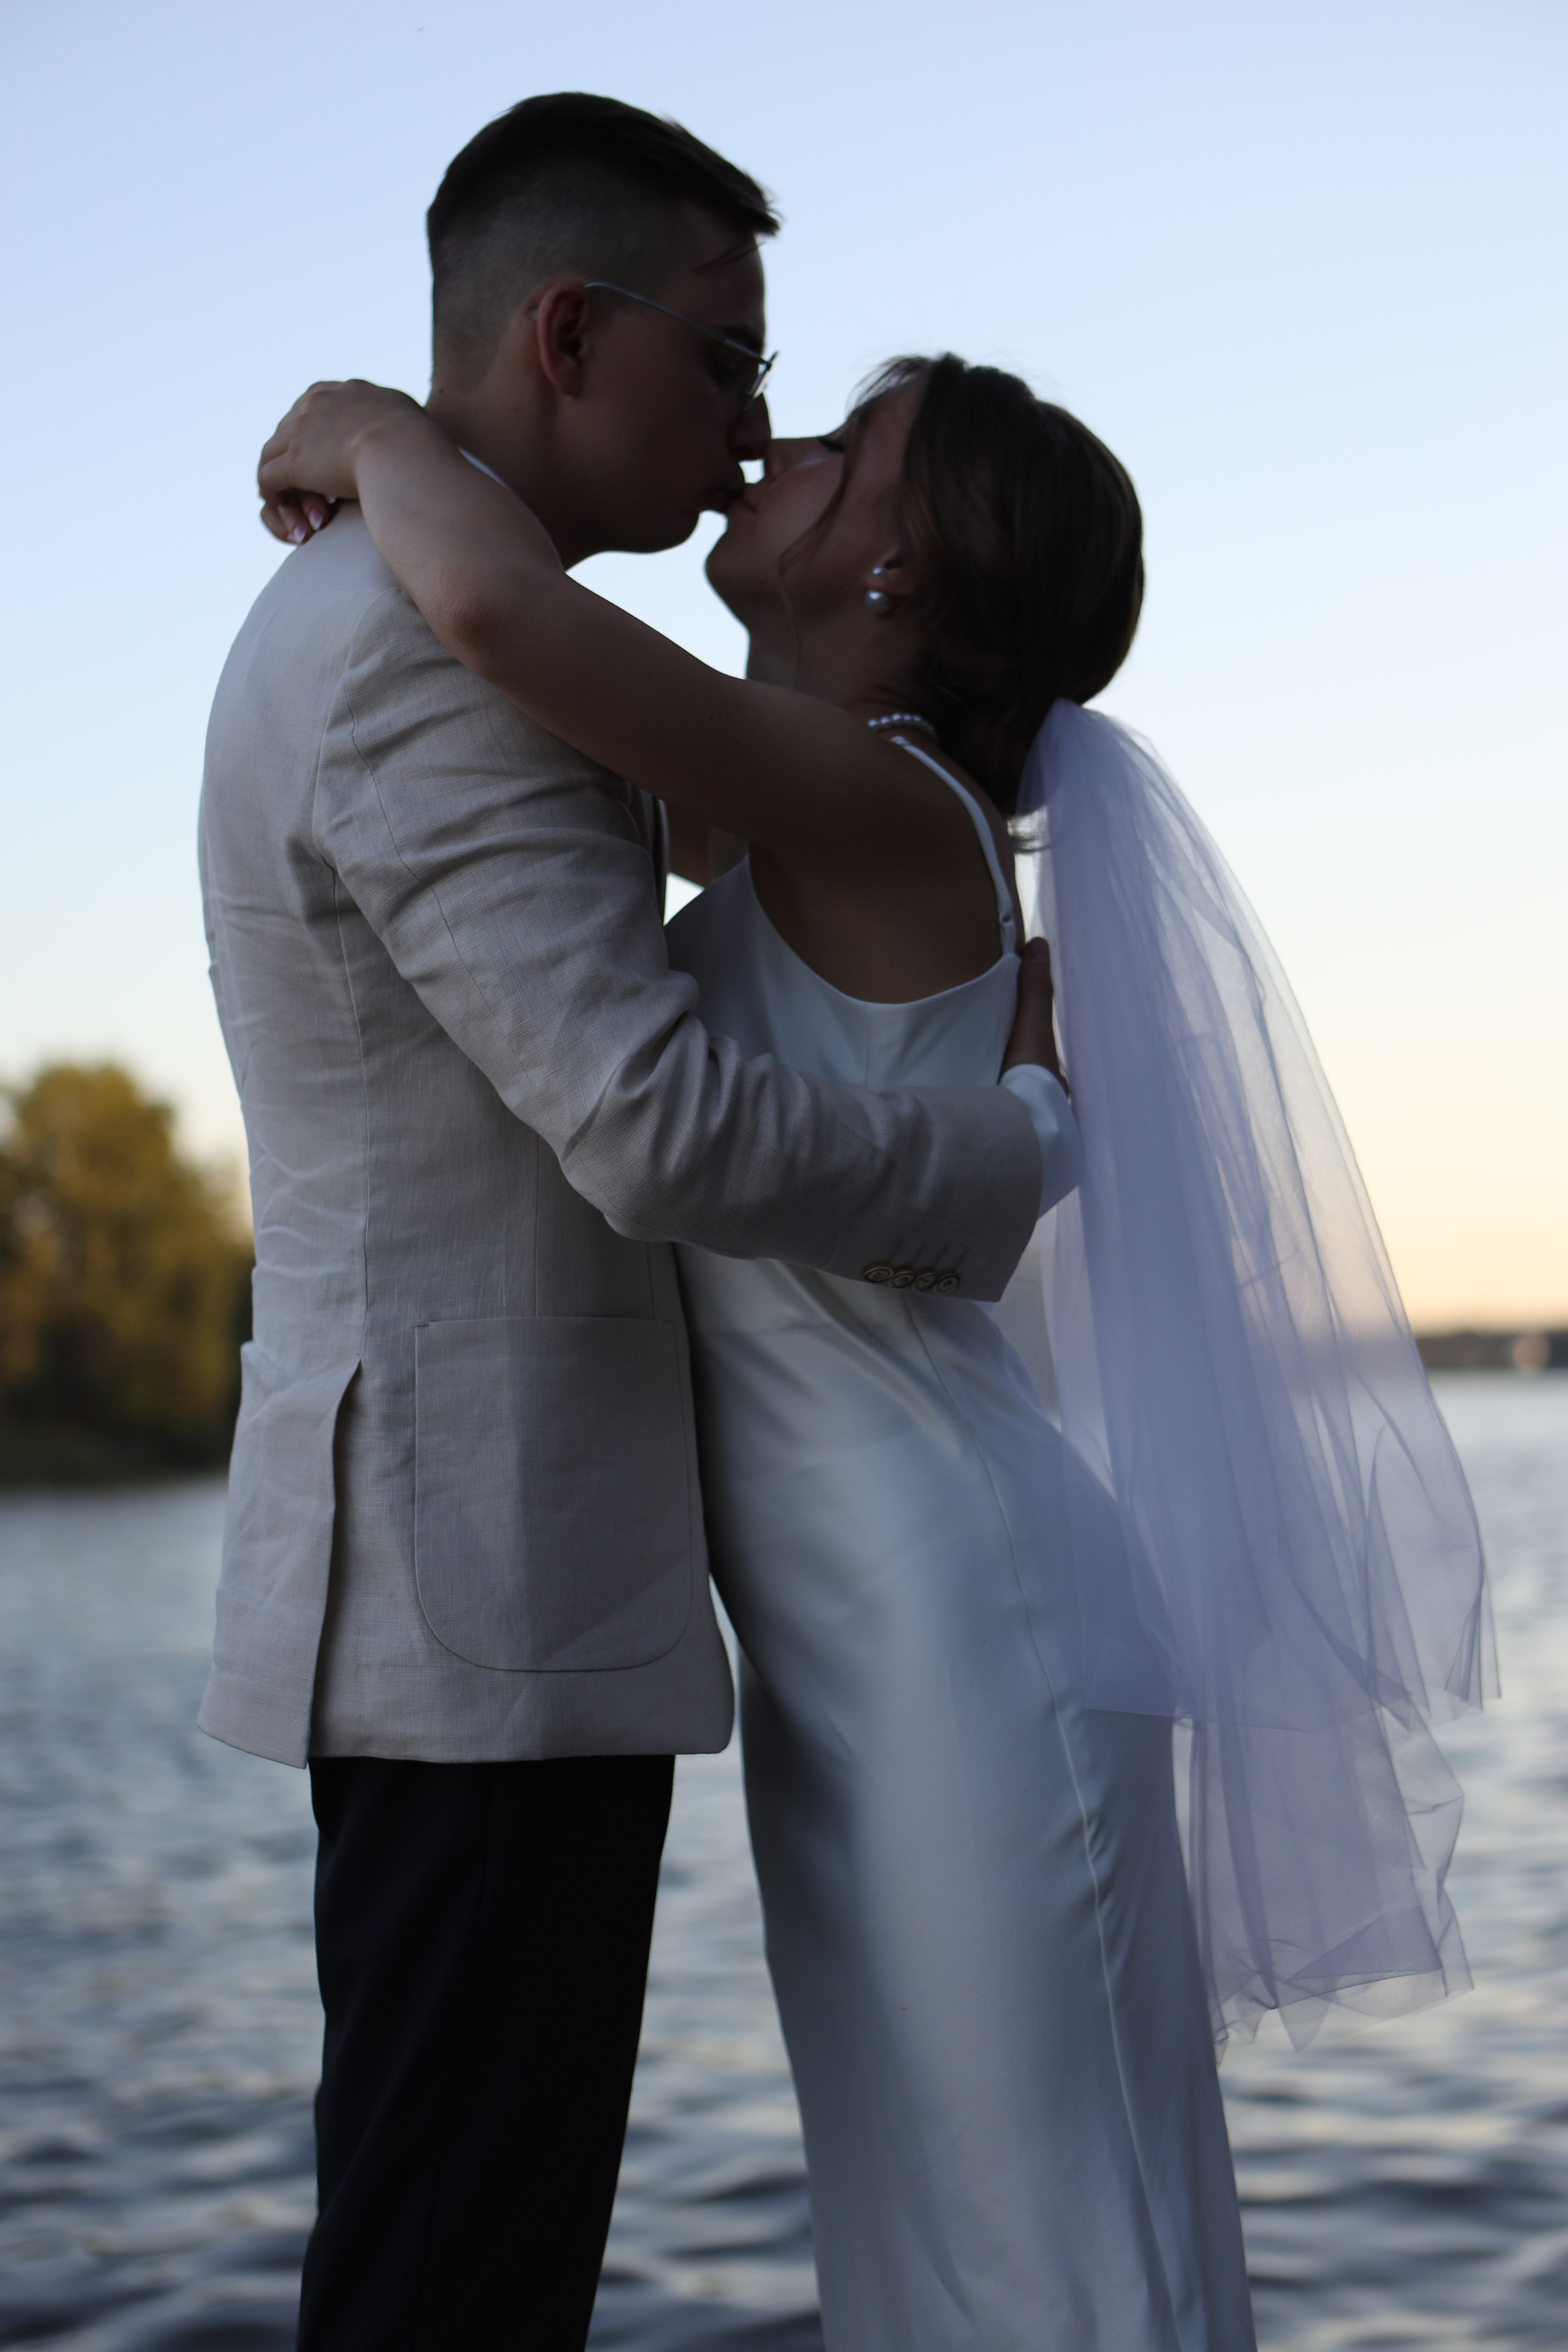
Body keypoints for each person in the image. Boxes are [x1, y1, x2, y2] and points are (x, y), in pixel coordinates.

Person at [254, 352, 1261, 2342]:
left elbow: (496, 615)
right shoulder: (804, 821)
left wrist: (381, 437)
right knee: (934, 2222)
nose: (771, 449)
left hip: (968, 1626)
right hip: (862, 1637)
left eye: (837, 448)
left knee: (1045, 2229)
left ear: (898, 573)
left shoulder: (876, 799)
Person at [203, 96, 1074, 2352]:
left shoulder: (478, 629)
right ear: (574, 335)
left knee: (457, 2253)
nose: (752, 431)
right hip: (484, 1586)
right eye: (730, 363)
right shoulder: (426, 646)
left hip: (519, 1582)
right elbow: (654, 1127)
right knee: (454, 2277)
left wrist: (366, 423)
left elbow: (719, 822)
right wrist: (1002, 1162)